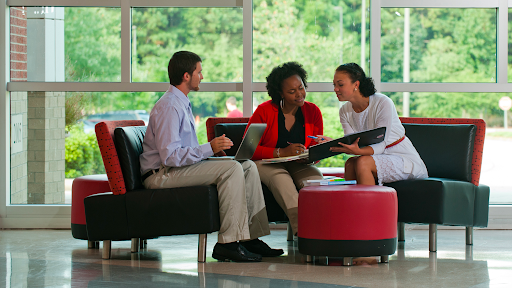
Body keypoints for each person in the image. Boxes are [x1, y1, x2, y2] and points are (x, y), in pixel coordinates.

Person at [139, 51, 283, 262]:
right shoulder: (169, 106)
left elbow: (183, 151)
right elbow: (170, 157)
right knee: (232, 169)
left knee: (246, 166)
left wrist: (212, 153)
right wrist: (209, 148)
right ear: (187, 76)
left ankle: (250, 238)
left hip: (175, 169)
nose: (202, 76)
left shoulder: (181, 102)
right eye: (199, 71)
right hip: (161, 174)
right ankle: (228, 243)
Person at [316, 62, 428, 186]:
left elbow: (380, 145)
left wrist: (355, 150)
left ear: (356, 84)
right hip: (374, 156)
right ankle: (352, 205)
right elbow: (352, 142)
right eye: (334, 85)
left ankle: (367, 205)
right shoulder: (344, 111)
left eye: (340, 84)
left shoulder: (383, 102)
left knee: (363, 162)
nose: (335, 89)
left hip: (401, 157)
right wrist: (334, 142)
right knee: (350, 163)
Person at [245, 62, 324, 236]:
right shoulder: (264, 111)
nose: (299, 94)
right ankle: (305, 235)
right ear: (280, 93)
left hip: (299, 163)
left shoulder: (313, 112)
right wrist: (281, 152)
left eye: (301, 88)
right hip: (266, 163)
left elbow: (315, 148)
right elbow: (248, 150)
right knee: (283, 183)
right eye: (292, 91)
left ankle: (325, 233)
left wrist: (312, 155)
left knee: (317, 184)